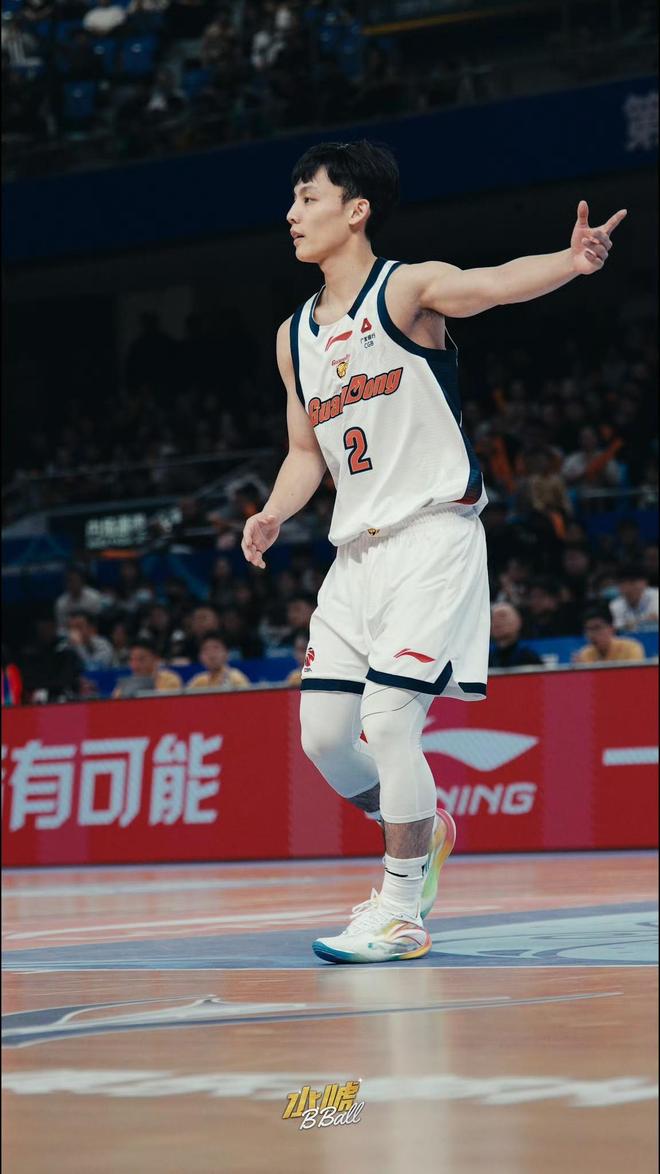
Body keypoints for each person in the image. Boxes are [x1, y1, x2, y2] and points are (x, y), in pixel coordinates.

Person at [241, 139, 626, 965]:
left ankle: (400, 909)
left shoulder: (404, 290)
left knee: (388, 722)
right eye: (293, 200)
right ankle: (424, 828)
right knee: (324, 738)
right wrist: (271, 513)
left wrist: (570, 262)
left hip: (432, 536)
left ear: (356, 210)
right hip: (355, 557)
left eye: (308, 198)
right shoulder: (292, 337)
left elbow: (491, 284)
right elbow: (306, 452)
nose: (292, 214)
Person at [112, 638, 183, 698]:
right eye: (132, 659)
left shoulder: (170, 681)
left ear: (156, 659)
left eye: (141, 659)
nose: (135, 665)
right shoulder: (124, 687)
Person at [574, 605, 645, 664]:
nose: (592, 634)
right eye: (588, 629)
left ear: (612, 629)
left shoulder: (632, 648)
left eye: (597, 628)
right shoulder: (584, 655)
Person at [186, 633, 251, 691]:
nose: (211, 654)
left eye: (216, 648)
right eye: (206, 649)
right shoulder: (199, 681)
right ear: (200, 657)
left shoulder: (236, 678)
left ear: (226, 653)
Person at [488, 603, 542, 669]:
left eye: (502, 616)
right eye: (492, 618)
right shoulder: (485, 658)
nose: (497, 621)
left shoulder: (529, 657)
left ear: (518, 621)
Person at [55, 567, 104, 634]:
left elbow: (97, 623)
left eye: (75, 580)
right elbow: (61, 627)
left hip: (91, 633)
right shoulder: (61, 603)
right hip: (70, 634)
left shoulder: (94, 597)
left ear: (82, 581)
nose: (72, 584)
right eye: (69, 581)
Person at [609, 566, 659, 632]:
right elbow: (618, 629)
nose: (628, 588)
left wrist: (632, 624)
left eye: (632, 583)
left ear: (644, 582)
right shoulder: (615, 605)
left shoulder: (656, 596)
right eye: (623, 583)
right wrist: (645, 620)